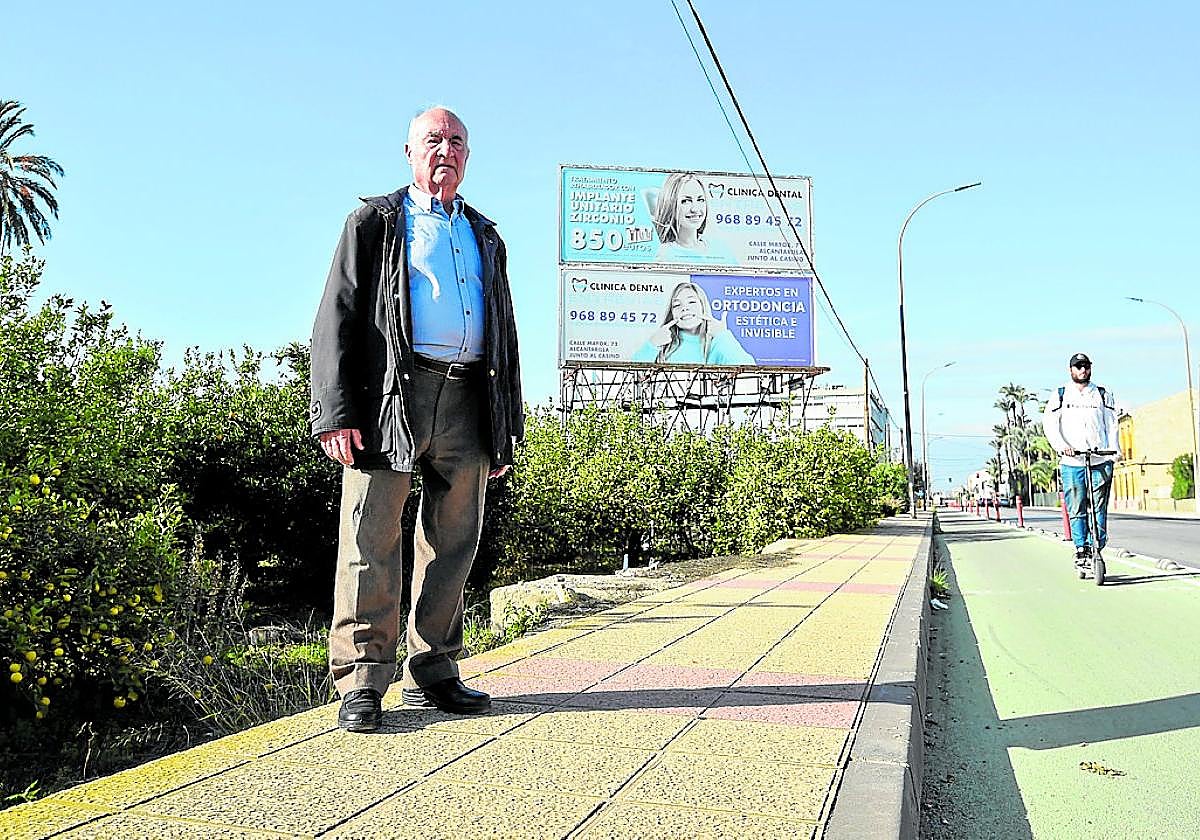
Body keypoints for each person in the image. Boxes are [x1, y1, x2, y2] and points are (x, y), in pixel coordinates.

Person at [310, 106, 523, 732]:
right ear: (408, 151)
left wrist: (504, 426)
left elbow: (505, 335)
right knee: (370, 537)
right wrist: (336, 411)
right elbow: (337, 317)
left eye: (457, 141)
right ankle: (362, 679)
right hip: (390, 398)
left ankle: (434, 669)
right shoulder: (374, 221)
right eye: (433, 140)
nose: (445, 150)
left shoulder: (486, 235)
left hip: (468, 399)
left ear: (468, 155)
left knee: (454, 541)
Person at [1042, 352, 1119, 567]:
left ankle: (1097, 545)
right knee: (1076, 507)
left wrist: (1115, 450)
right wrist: (1061, 446)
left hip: (1100, 460)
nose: (1082, 370)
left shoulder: (1102, 393)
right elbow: (1050, 423)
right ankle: (1080, 548)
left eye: (1085, 366)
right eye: (1078, 366)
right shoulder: (1061, 394)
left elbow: (1112, 423)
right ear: (1071, 370)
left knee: (1099, 506)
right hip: (1072, 462)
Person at [632, 281, 754, 365]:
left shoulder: (717, 344)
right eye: (677, 305)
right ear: (671, 313)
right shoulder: (664, 346)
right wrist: (652, 344)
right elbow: (630, 376)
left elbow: (749, 370)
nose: (685, 308)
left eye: (691, 302)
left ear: (703, 306)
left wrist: (723, 336)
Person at [652, 172, 732, 262]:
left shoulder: (720, 248)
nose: (695, 209)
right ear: (670, 205)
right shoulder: (664, 255)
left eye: (700, 200)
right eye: (686, 201)